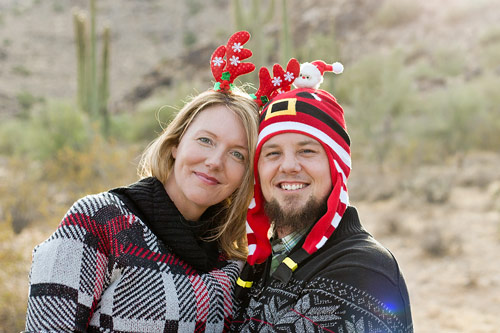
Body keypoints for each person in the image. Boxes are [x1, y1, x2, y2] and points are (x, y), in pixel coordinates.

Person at [24, 32, 259, 332]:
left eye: (237, 154)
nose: (215, 161)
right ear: (175, 144)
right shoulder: (100, 221)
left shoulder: (234, 260)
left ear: (247, 175)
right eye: (205, 140)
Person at [230, 60, 413, 332]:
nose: (289, 166)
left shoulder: (362, 270)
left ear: (336, 167)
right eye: (273, 153)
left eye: (307, 151)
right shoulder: (259, 263)